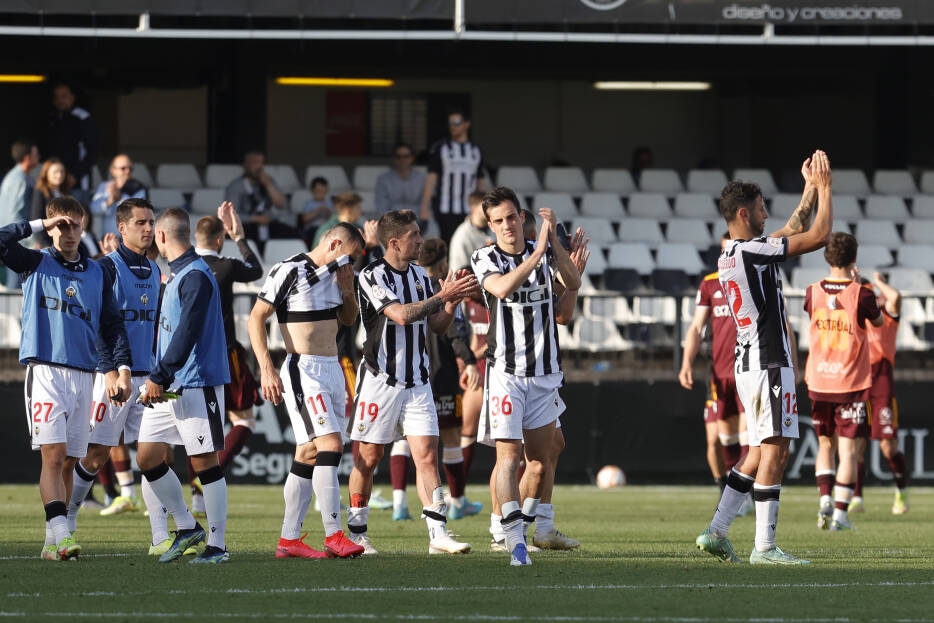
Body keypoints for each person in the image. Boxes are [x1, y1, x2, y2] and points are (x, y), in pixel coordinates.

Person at [695, 149, 833, 566]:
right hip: (769, 361)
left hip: (748, 363)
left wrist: (809, 187)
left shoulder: (736, 253)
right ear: (743, 213)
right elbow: (818, 236)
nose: (767, 214)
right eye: (760, 208)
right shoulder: (753, 252)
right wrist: (827, 189)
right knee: (776, 451)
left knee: (756, 451)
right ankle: (765, 547)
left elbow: (793, 226)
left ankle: (717, 531)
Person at [0, 195, 132, 560]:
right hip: (45, 370)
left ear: (85, 225)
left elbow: (111, 324)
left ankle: (50, 543)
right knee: (54, 457)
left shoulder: (97, 272)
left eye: (75, 224)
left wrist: (121, 368)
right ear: (50, 225)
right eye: (61, 224)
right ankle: (61, 534)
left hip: (84, 375)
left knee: (72, 460)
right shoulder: (34, 262)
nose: (69, 231)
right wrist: (39, 226)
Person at [348, 209, 477, 556]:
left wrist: (450, 303)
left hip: (419, 381)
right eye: (414, 236)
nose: (421, 241)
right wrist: (441, 295)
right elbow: (401, 315)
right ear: (393, 242)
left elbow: (436, 326)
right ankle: (357, 532)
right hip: (381, 381)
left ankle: (438, 533)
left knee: (425, 456)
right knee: (369, 456)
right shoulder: (371, 275)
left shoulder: (420, 275)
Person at [471, 187, 581, 566]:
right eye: (498, 220)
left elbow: (573, 286)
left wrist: (555, 245)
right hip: (507, 374)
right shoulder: (484, 257)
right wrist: (538, 253)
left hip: (545, 375)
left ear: (521, 216)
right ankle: (514, 539)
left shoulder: (546, 251)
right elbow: (501, 288)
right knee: (508, 457)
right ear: (490, 224)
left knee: (543, 454)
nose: (507, 226)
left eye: (511, 217)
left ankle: (540, 526)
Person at [248, 221, 367, 559]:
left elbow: (347, 320)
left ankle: (289, 540)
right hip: (303, 368)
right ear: (333, 245)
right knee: (331, 444)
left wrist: (347, 292)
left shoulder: (341, 276)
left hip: (332, 369)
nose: (353, 263)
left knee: (308, 453)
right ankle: (334, 533)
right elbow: (256, 317)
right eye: (351, 255)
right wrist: (266, 368)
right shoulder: (290, 269)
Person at [135, 207, 232, 565]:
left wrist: (159, 375)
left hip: (196, 382)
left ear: (161, 237)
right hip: (172, 382)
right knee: (147, 457)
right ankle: (188, 526)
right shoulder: (178, 275)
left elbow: (189, 332)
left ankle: (218, 545)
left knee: (205, 463)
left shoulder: (195, 275)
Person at [64, 198, 160, 527]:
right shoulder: (107, 268)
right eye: (141, 223)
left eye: (151, 222)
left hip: (148, 377)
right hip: (116, 376)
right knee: (97, 454)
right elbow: (97, 326)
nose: (149, 228)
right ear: (122, 228)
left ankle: (162, 534)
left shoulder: (155, 269)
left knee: (154, 455)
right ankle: (69, 515)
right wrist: (108, 371)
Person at [188, 203, 265, 515]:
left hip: (191, 356)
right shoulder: (227, 265)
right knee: (243, 419)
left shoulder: (184, 267)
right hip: (226, 352)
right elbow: (257, 270)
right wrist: (240, 236)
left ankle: (197, 498)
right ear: (220, 239)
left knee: (200, 429)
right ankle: (206, 479)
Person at [805, 232, 883, 531]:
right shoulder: (861, 293)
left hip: (819, 380)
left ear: (827, 258)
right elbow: (877, 322)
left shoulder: (812, 291)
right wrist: (858, 282)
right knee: (848, 450)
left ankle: (824, 498)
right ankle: (839, 513)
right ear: (854, 259)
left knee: (824, 443)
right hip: (849, 383)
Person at [679, 234, 746, 493]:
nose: (726, 254)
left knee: (748, 436)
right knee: (717, 438)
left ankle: (741, 492)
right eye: (723, 250)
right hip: (718, 373)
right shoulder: (709, 284)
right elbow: (696, 327)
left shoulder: (753, 279)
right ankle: (727, 490)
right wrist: (686, 363)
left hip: (748, 369)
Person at [851, 272, 909, 515]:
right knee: (856, 445)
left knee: (888, 446)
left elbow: (895, 297)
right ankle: (856, 498)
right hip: (858, 380)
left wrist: (879, 281)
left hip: (882, 380)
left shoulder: (887, 316)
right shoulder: (857, 317)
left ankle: (901, 494)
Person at [420, 110, 487, 242]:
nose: (453, 126)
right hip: (445, 208)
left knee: (470, 243)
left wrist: (484, 206)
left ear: (467, 124)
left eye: (457, 123)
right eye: (450, 123)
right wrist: (424, 207)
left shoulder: (475, 150)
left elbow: (480, 180)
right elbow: (431, 179)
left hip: (469, 208)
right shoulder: (441, 148)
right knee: (447, 244)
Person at [223, 150, 297, 252]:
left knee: (292, 233)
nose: (259, 167)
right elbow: (232, 214)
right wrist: (255, 218)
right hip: (248, 225)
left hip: (269, 224)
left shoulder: (269, 181)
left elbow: (282, 204)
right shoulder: (236, 186)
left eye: (261, 163)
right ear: (245, 165)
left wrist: (268, 185)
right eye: (255, 162)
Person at [44, 82, 98, 199]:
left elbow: (92, 152)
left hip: (78, 183)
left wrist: (75, 175)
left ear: (72, 97)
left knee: (78, 215)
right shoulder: (52, 118)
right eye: (56, 97)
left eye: (64, 96)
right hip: (56, 182)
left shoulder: (82, 117)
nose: (60, 100)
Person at [90, 154, 148, 239]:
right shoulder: (104, 186)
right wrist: (110, 201)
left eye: (130, 169)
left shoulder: (139, 188)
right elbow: (93, 209)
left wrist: (120, 198)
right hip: (107, 237)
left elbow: (137, 213)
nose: (127, 171)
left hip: (129, 238)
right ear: (113, 170)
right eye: (123, 168)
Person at [374, 142, 426, 218]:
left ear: (412, 158)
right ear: (394, 158)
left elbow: (427, 204)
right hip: (392, 221)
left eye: (406, 156)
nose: (402, 159)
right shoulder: (384, 179)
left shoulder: (422, 178)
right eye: (398, 156)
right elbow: (381, 204)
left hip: (417, 219)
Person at [29, 158, 73, 249]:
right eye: (55, 172)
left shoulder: (65, 193)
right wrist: (45, 244)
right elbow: (36, 219)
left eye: (62, 171)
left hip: (65, 241)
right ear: (46, 173)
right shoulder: (40, 192)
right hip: (49, 243)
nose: (59, 175)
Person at [448, 191, 493, 273]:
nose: (489, 209)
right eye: (485, 206)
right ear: (473, 208)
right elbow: (459, 272)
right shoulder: (462, 236)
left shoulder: (495, 227)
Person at [299, 176, 333, 245]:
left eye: (323, 192)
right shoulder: (309, 203)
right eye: (318, 191)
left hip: (326, 229)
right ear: (313, 191)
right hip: (312, 230)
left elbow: (332, 219)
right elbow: (304, 219)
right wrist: (318, 211)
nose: (321, 194)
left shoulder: (329, 203)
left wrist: (328, 212)